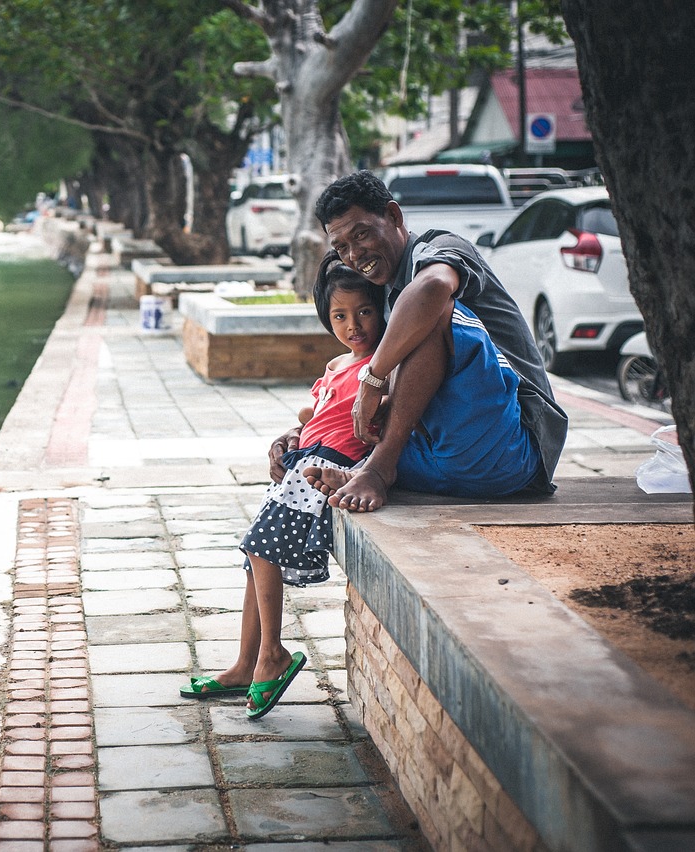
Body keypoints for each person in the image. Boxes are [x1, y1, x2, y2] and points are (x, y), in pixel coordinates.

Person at [180, 258, 385, 718]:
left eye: (365, 312)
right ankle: (244, 664)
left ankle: (271, 653)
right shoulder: (336, 365)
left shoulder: (381, 365)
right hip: (300, 466)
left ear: (382, 309)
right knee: (256, 561)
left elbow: (376, 423)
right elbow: (313, 416)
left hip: (324, 471)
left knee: (260, 548)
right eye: (340, 316)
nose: (354, 326)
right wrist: (291, 437)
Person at [301, 170, 568, 512]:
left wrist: (373, 378)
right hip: (430, 460)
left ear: (394, 216)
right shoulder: (383, 293)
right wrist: (301, 436)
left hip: (510, 449)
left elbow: (433, 288)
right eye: (341, 247)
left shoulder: (442, 248)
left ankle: (378, 468)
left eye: (362, 234)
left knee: (432, 309)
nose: (354, 255)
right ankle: (370, 468)